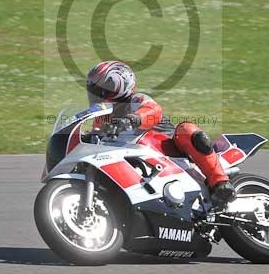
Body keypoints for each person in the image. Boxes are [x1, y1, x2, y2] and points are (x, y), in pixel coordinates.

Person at [86, 60, 236, 208]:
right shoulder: (102, 117)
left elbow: (153, 111)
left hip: (170, 154)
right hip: (133, 160)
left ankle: (219, 182)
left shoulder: (136, 100)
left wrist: (132, 119)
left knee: (187, 130)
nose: (98, 94)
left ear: (122, 85)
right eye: (94, 90)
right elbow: (97, 135)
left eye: (103, 89)